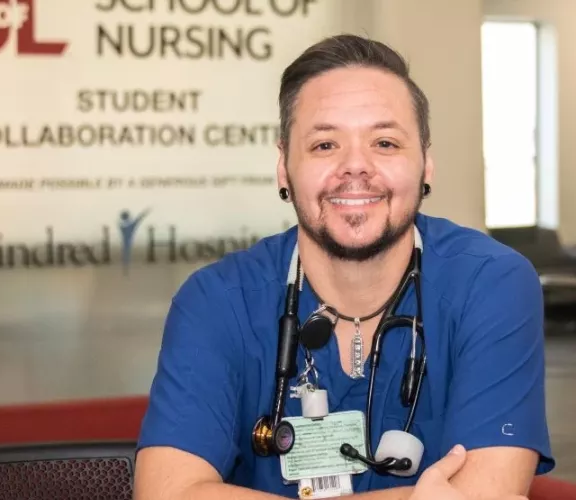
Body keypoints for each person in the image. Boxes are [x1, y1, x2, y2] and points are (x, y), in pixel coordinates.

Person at [134, 34, 554, 499]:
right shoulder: (217, 300)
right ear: (283, 168)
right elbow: (165, 493)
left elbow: (489, 492)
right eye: (325, 145)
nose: (356, 166)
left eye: (386, 142)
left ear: (426, 165)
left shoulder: (491, 283)